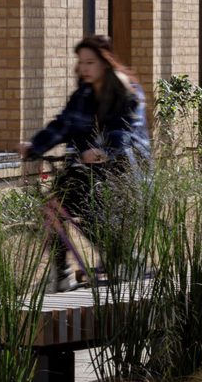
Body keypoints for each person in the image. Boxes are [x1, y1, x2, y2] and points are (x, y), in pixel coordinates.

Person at [19, 35, 151, 289]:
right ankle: (61, 274)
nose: (84, 68)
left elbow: (123, 131)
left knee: (92, 213)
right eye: (81, 62)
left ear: (105, 62)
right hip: (84, 167)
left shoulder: (128, 93)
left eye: (90, 62)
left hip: (122, 169)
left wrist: (102, 151)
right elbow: (63, 125)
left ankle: (121, 257)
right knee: (52, 209)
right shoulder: (83, 95)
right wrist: (35, 146)